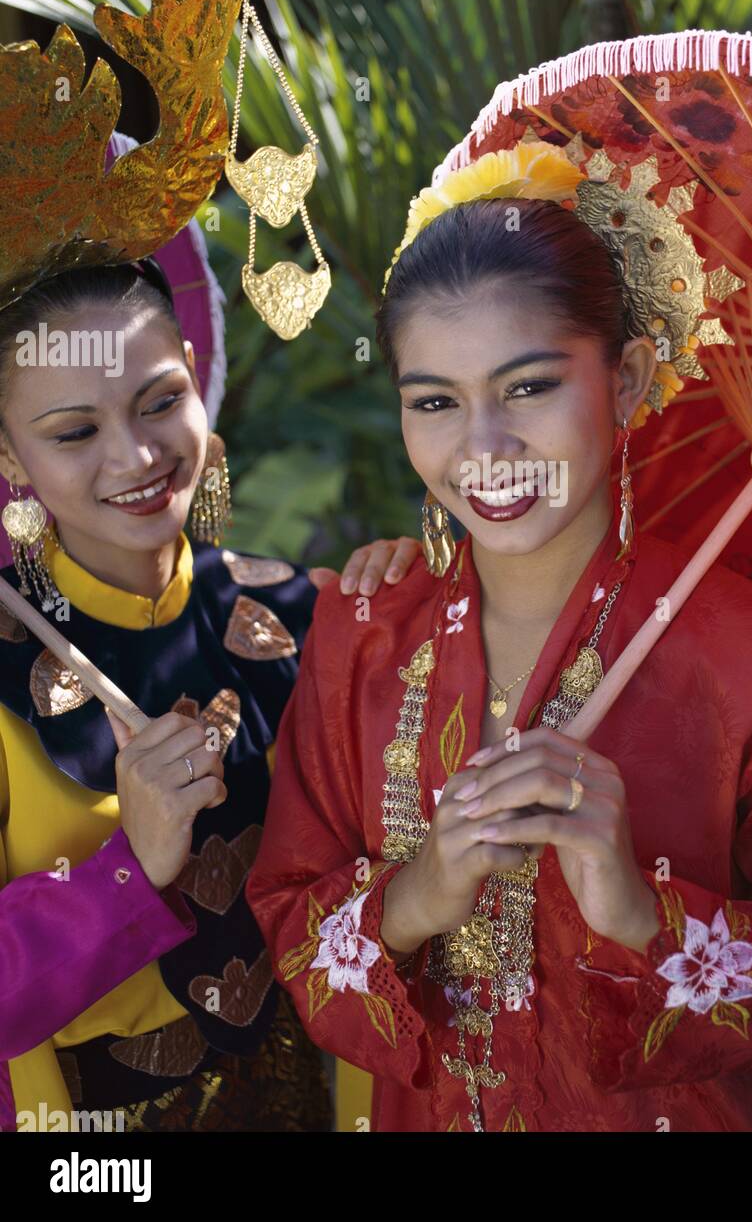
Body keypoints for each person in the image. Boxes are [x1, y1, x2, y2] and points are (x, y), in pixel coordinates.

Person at [248, 153, 752, 1132]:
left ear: (629, 377)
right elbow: (287, 923)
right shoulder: (360, 635)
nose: (481, 447)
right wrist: (415, 896)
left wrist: (644, 913)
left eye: (526, 387)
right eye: (433, 401)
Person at [0, 261, 418, 1131]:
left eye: (158, 401)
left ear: (194, 368)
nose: (138, 457)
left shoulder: (303, 611)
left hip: (314, 1089)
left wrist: (414, 617)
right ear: (8, 451)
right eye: (74, 432)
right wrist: (132, 866)